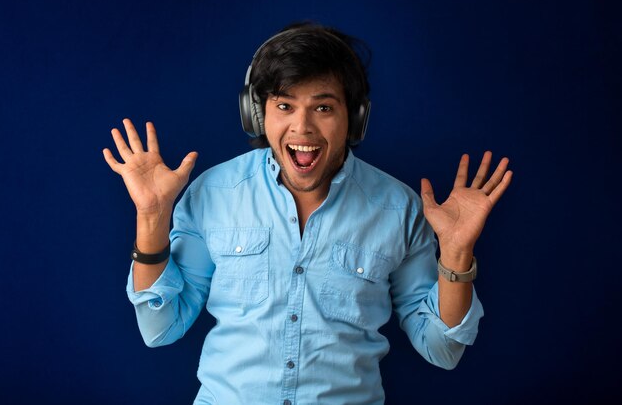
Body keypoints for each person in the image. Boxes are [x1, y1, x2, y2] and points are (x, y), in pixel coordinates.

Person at [103, 23, 512, 404]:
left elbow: (442, 350)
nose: (302, 128)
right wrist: (152, 218)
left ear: (355, 118)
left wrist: (456, 255)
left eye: (323, 108)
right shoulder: (213, 193)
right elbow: (160, 329)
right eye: (284, 106)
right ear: (258, 114)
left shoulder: (399, 208)